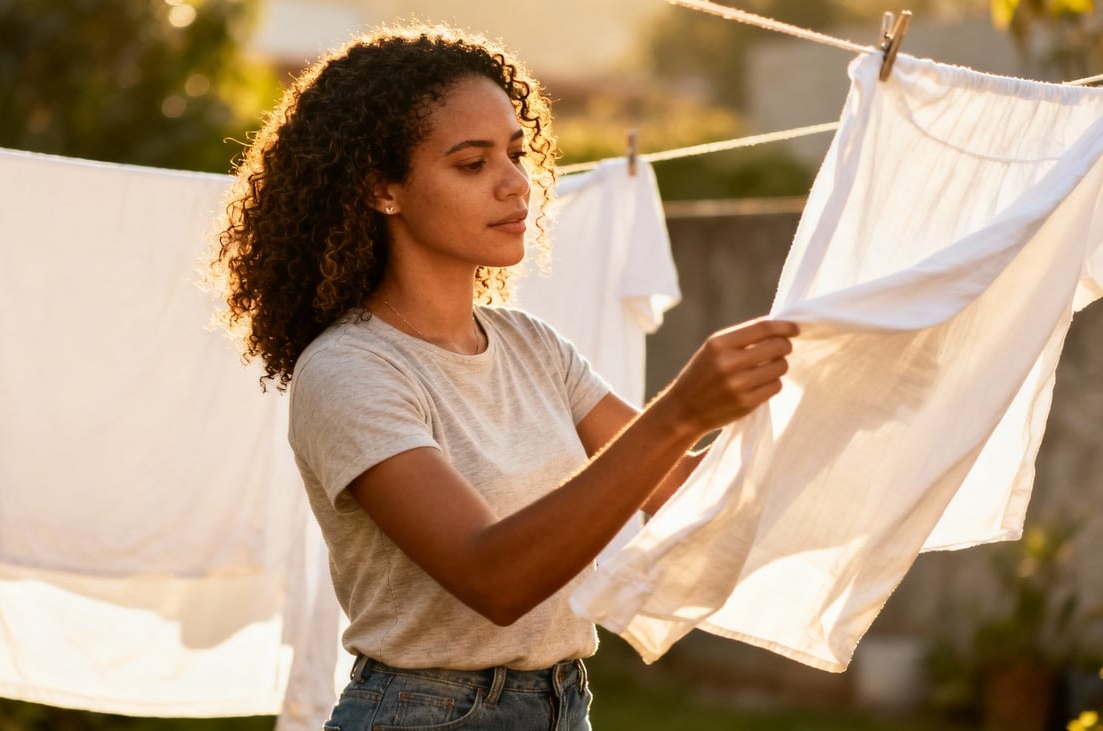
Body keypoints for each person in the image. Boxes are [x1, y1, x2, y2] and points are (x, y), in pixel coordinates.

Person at [211, 24, 798, 731]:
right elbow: (494, 577)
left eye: (517, 153)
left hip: (563, 703)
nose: (515, 183)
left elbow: (681, 494)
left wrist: (838, 395)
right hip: (423, 715)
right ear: (381, 189)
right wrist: (679, 412)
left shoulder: (531, 346)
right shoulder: (348, 372)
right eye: (471, 163)